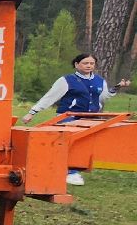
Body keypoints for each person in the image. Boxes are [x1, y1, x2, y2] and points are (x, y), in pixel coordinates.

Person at [22, 53, 130, 185]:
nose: (89, 66)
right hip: (69, 118)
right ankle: (70, 172)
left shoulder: (100, 80)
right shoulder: (66, 80)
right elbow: (50, 97)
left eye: (91, 63)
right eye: (85, 63)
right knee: (70, 142)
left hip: (91, 118)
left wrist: (117, 87)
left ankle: (72, 169)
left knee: (85, 145)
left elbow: (103, 97)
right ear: (76, 64)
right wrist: (32, 112)